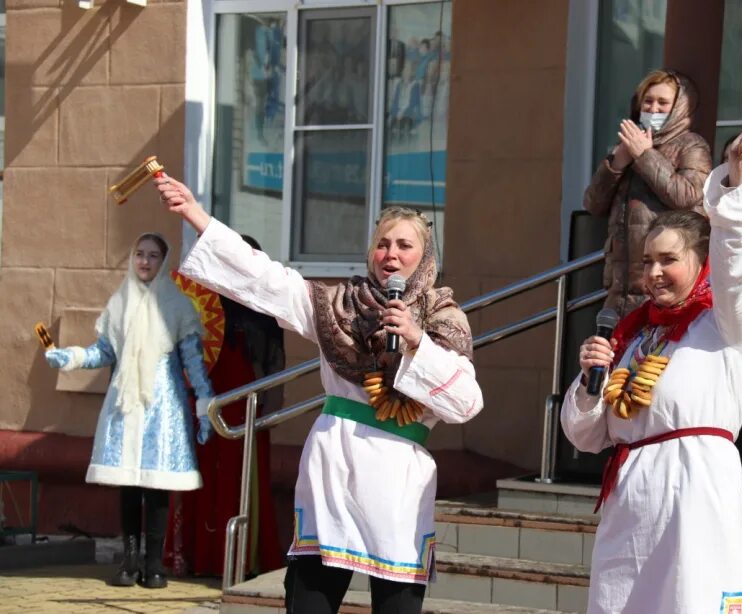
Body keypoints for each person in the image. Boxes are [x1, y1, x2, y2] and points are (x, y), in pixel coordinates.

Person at [154, 175, 484, 614]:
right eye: (383, 244)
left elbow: (466, 402)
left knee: (397, 605)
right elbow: (267, 279)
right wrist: (197, 215)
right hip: (335, 464)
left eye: (405, 245)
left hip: (399, 478)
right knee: (310, 598)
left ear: (425, 257)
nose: (392, 254)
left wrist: (415, 341)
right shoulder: (338, 305)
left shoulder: (445, 318)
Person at [562, 120, 742, 613]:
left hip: (693, 504)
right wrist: (592, 385)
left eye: (668, 260)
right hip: (632, 507)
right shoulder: (629, 333)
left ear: (701, 261)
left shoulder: (724, 326)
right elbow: (586, 436)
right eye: (648, 261)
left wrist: (736, 178)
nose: (653, 273)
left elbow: (738, 263)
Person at [44, 232, 214, 589]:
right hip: (124, 408)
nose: (145, 262)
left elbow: (194, 364)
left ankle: (154, 566)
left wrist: (204, 407)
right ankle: (128, 562)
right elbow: (104, 352)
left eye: (153, 255)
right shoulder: (118, 303)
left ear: (164, 262)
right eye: (139, 254)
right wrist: (72, 357)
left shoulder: (178, 306)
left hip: (162, 410)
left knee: (156, 490)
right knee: (127, 488)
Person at [164, 235, 285, 578]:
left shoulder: (264, 307)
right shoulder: (202, 300)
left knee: (239, 480)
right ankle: (198, 557)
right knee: (201, 478)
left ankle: (240, 560)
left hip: (247, 408)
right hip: (203, 401)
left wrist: (270, 410)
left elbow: (274, 362)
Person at [584, 69, 712, 317]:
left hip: (661, 285)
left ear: (679, 108)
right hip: (619, 288)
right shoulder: (628, 147)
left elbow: (688, 197)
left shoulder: (691, 144)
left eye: (663, 103)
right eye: (648, 101)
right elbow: (592, 204)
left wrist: (645, 155)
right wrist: (616, 165)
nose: (653, 109)